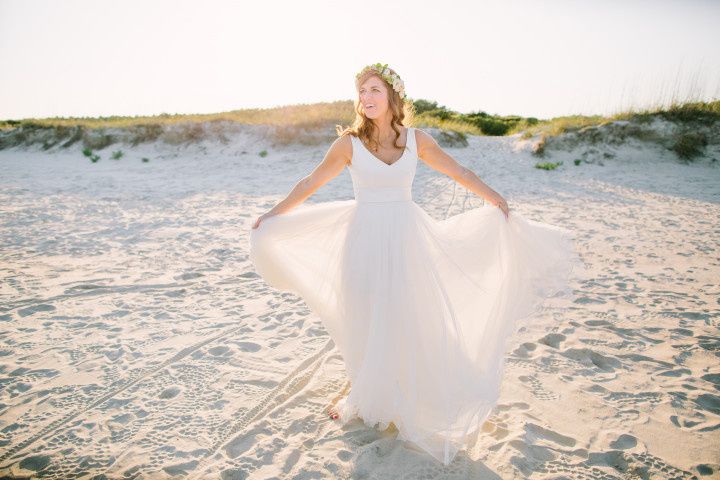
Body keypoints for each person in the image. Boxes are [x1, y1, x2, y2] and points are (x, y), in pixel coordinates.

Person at [249, 63, 582, 466]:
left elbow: (457, 170)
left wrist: (493, 197)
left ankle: (402, 392)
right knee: (368, 317)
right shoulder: (348, 144)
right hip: (364, 241)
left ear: (392, 96)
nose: (366, 98)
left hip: (407, 238)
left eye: (373, 89)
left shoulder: (416, 140)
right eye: (361, 92)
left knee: (407, 315)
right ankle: (366, 392)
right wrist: (272, 214)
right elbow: (309, 184)